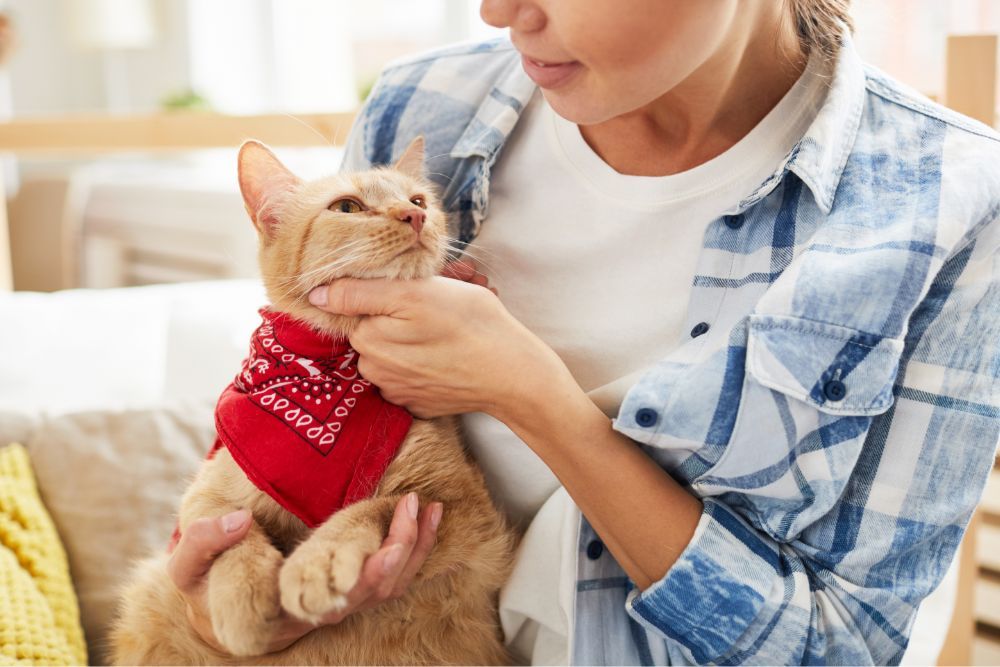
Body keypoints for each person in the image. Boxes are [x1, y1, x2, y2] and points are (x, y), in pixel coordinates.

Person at [168, 1, 1000, 663]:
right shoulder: (422, 110)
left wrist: (527, 392)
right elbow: (280, 427)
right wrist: (225, 609)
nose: (497, 11)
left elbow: (836, 647)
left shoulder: (948, 204)